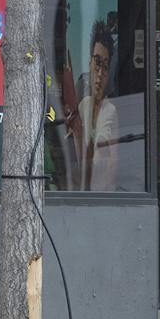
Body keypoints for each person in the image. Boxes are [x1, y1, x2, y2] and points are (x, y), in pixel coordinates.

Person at [67, 21, 119, 191]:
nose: (100, 73)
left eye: (105, 66)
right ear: (89, 63)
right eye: (97, 63)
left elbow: (102, 165)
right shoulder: (84, 105)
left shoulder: (110, 112)